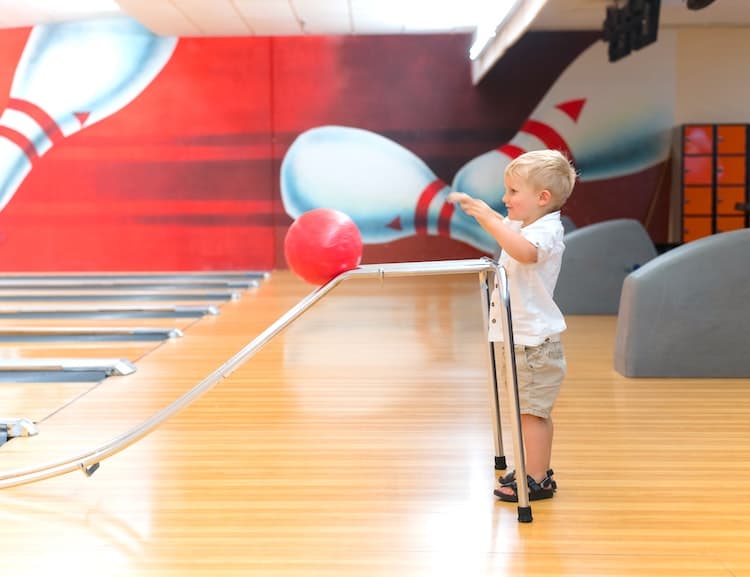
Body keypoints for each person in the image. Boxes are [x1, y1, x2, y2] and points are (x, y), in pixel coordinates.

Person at [448, 149, 577, 502]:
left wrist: (489, 217)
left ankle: (536, 478)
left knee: (531, 414)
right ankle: (534, 470)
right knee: (525, 410)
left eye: (512, 192)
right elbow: (510, 235)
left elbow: (524, 252)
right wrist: (481, 211)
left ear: (542, 198)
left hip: (533, 342)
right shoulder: (526, 225)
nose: (505, 199)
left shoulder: (547, 230)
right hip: (518, 337)